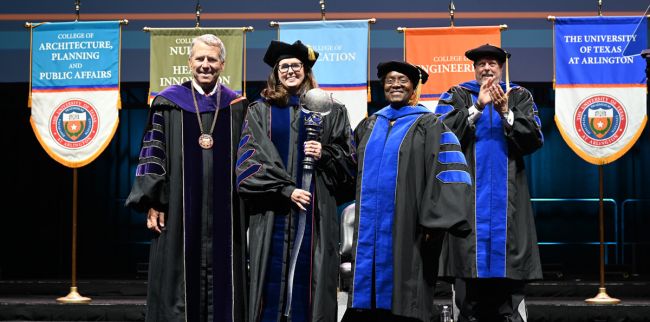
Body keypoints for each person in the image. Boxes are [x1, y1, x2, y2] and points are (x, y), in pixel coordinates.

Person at [125, 34, 249, 322]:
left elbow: (248, 157)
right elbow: (153, 153)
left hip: (226, 211)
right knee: (179, 279)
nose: (206, 65)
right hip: (179, 209)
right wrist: (155, 201)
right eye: (200, 59)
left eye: (212, 59)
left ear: (223, 64)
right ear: (189, 62)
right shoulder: (167, 103)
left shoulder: (237, 106)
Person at [235, 40, 356, 322]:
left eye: (296, 66)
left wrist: (325, 154)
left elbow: (350, 162)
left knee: (312, 281)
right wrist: (285, 189)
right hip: (272, 210)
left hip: (317, 212)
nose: (290, 71)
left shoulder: (332, 110)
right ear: (276, 73)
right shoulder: (259, 110)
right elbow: (249, 161)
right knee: (269, 284)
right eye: (284, 67)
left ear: (306, 70)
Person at [343, 61, 471, 322]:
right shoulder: (369, 125)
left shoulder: (430, 124)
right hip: (370, 228)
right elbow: (348, 167)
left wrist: (433, 224)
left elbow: (447, 173)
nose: (396, 85)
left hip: (411, 228)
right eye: (390, 80)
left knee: (406, 298)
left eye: (402, 80)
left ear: (413, 87)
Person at [436, 44, 544, 322]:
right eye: (481, 63)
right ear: (473, 67)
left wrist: (507, 112)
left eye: (492, 63)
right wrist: (478, 106)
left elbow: (534, 140)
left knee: (506, 294)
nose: (486, 68)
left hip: (508, 201)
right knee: (469, 287)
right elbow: (441, 137)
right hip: (468, 199)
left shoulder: (519, 96)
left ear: (501, 67)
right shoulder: (457, 95)